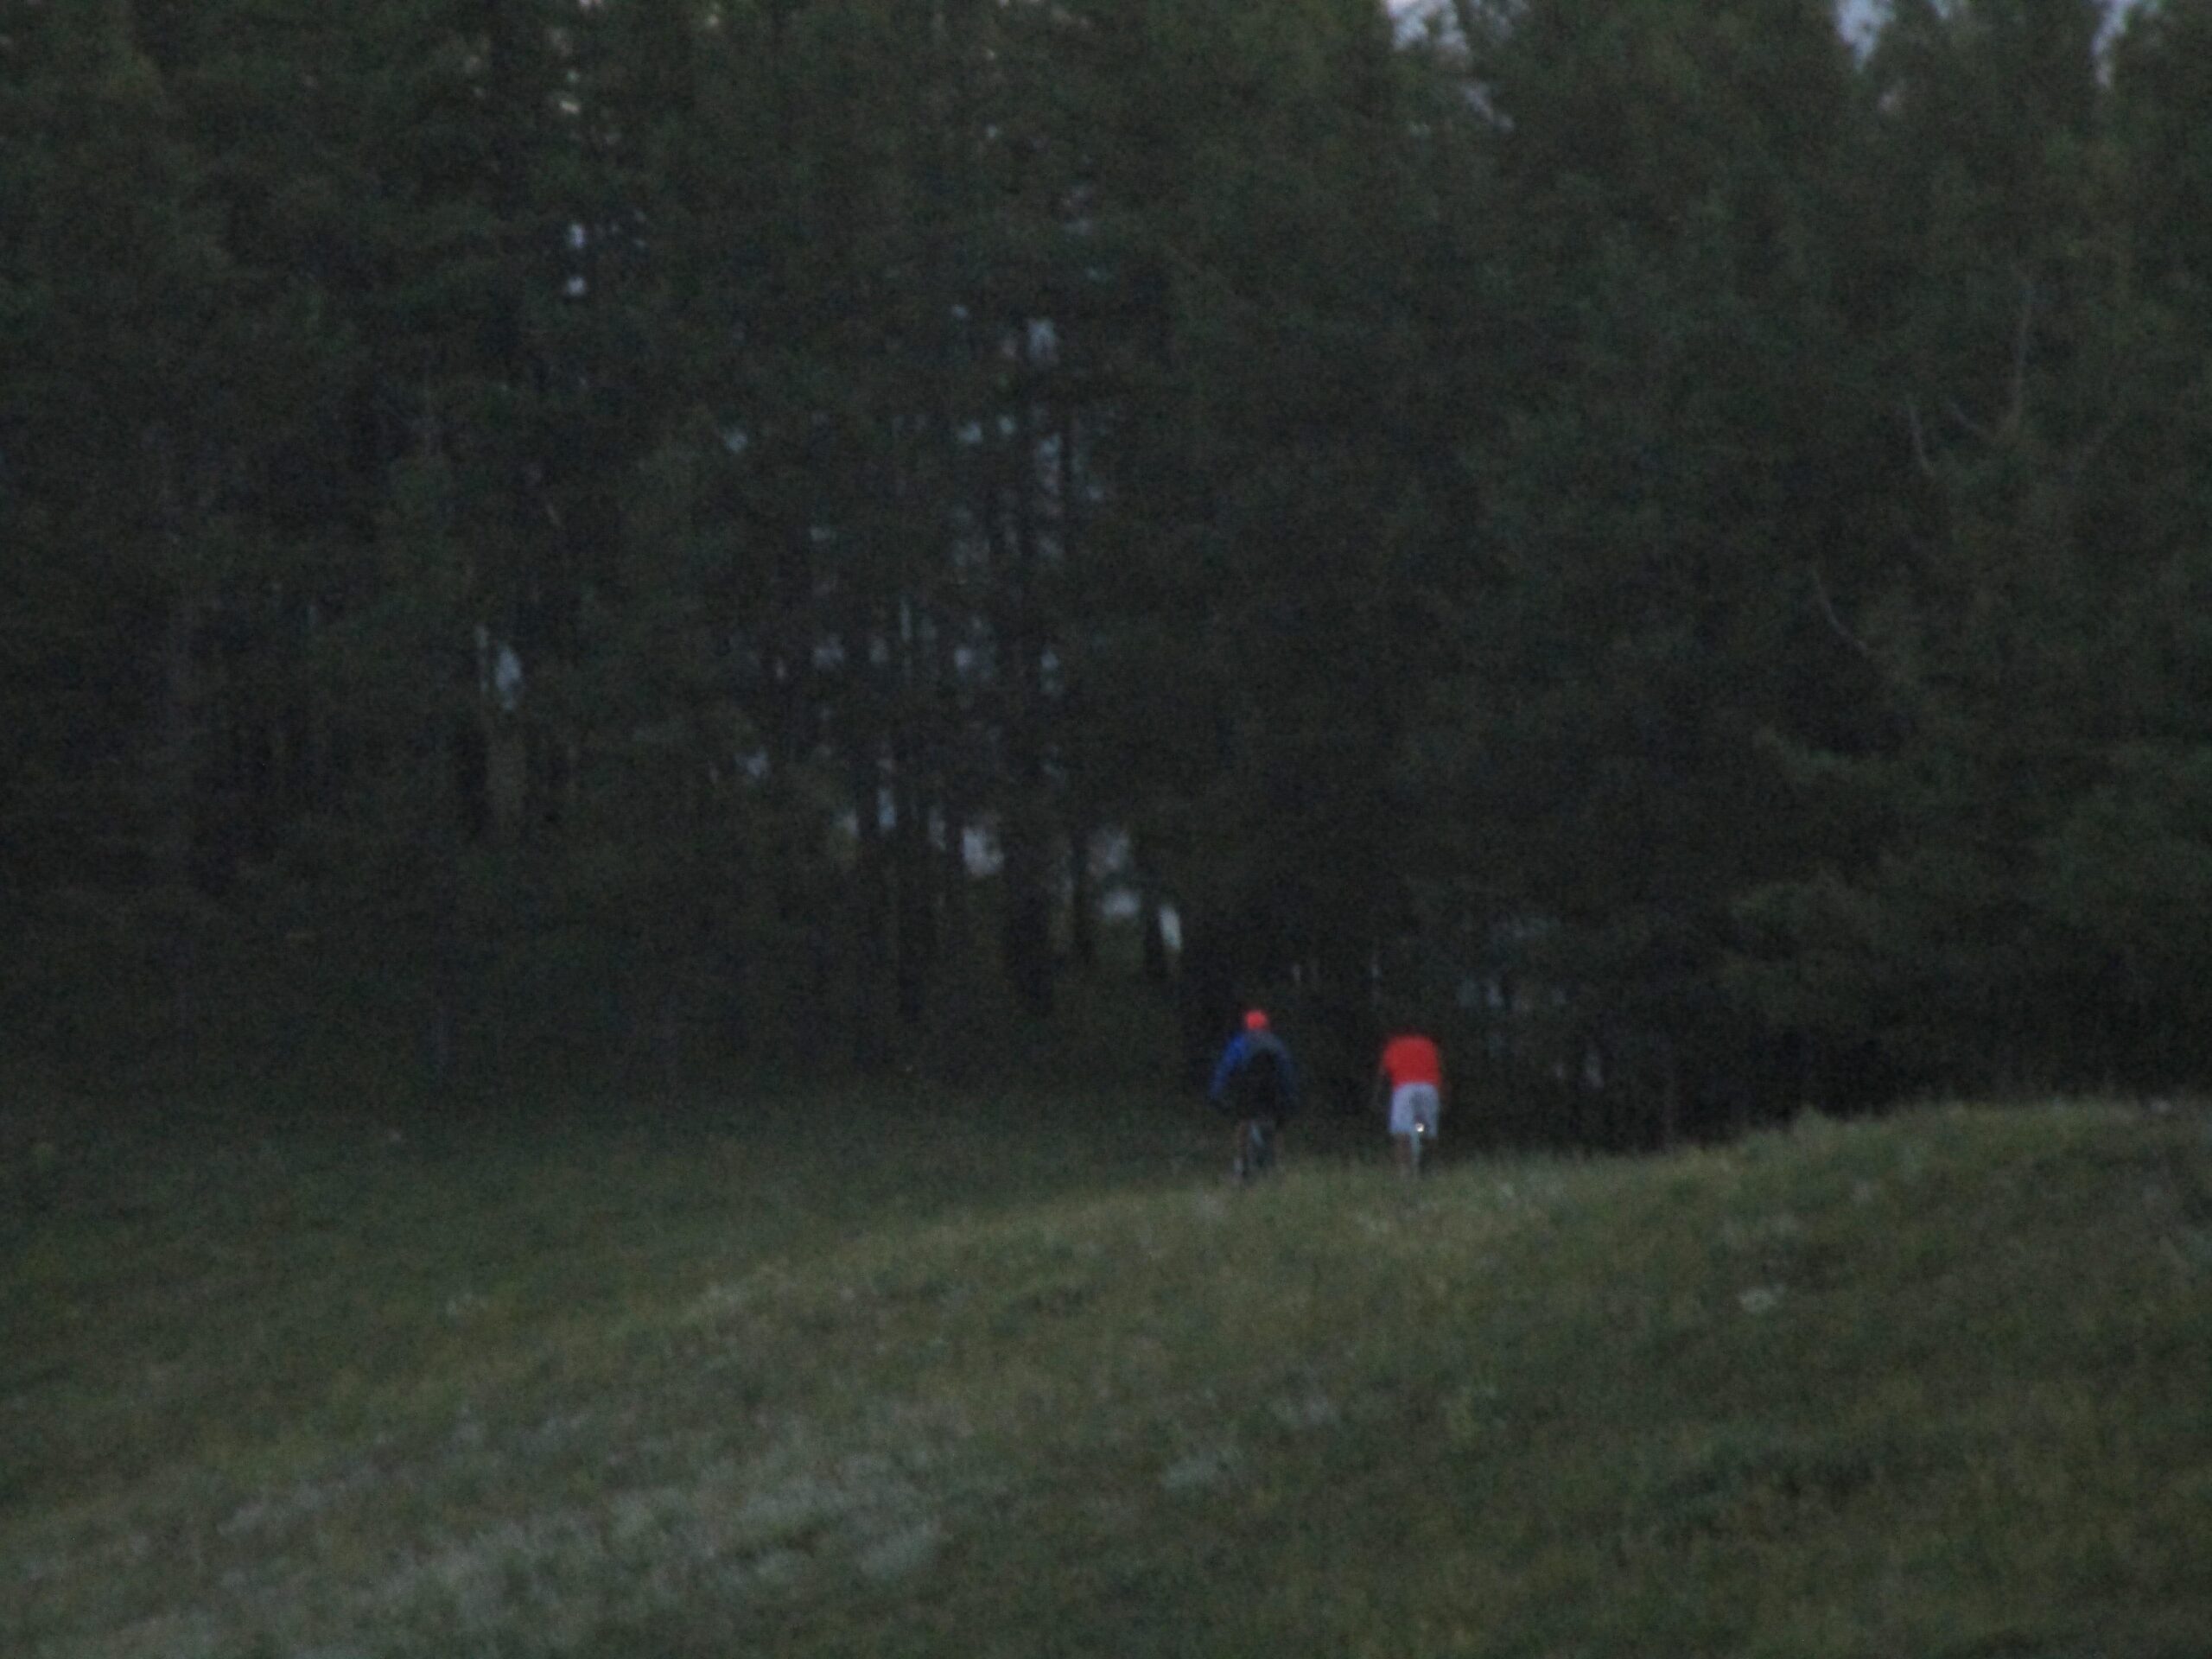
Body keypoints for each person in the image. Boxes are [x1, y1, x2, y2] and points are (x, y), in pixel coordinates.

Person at [1208, 1007, 1299, 1180]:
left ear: (1247, 1026)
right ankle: (1277, 1167)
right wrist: (1291, 1097)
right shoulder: (1277, 1044)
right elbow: (1287, 1072)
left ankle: (1241, 1166)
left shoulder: (1240, 1043)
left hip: (1249, 1093)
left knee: (1243, 1123)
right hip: (1273, 1094)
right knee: (1277, 1128)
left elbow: (1226, 1069)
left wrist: (1217, 1093)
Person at [1373, 1027, 1445, 1175]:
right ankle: (1428, 1166)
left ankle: (1405, 1171)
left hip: (1405, 1089)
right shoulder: (1428, 1044)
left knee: (1402, 1130)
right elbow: (1440, 1069)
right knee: (1425, 1127)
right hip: (1428, 1088)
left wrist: (1377, 1095)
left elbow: (1383, 1074)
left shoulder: (1393, 1046)